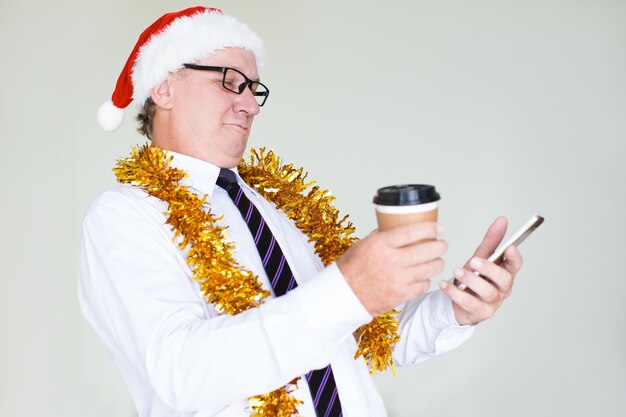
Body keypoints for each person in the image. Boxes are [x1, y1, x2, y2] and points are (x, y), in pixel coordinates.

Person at [79, 6, 523, 417]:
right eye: (230, 81)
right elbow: (183, 374)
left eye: (254, 89)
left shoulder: (275, 206)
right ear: (164, 86)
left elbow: (356, 341)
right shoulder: (125, 217)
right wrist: (348, 288)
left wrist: (456, 310)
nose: (250, 104)